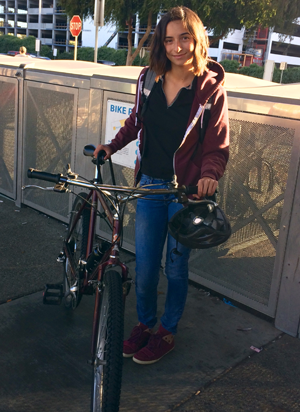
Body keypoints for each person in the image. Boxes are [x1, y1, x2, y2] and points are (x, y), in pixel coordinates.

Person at [94, 6, 229, 365]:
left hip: (185, 193)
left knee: (176, 266)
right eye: (168, 39)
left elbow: (217, 143)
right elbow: (136, 121)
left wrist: (210, 174)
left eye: (184, 37)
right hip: (151, 186)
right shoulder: (148, 78)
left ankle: (166, 330)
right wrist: (112, 145)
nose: (176, 47)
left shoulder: (210, 89)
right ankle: (145, 323)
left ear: (197, 39)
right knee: (147, 263)